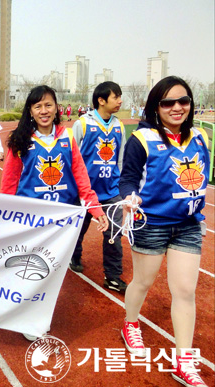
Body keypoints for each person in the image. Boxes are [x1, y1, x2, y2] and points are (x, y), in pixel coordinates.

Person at [120, 76, 212, 387]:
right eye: (168, 102)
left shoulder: (201, 137)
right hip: (151, 225)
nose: (176, 107)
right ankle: (131, 324)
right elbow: (128, 178)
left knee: (185, 291)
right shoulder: (142, 138)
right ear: (156, 106)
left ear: (190, 103)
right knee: (142, 282)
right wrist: (130, 196)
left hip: (188, 226)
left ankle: (184, 363)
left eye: (183, 101)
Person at [0, 85, 108, 341]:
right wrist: (5, 214)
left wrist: (94, 206)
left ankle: (38, 312)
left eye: (48, 105)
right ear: (30, 110)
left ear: (57, 107)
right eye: (37, 106)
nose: (44, 110)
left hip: (62, 219)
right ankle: (28, 315)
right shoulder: (20, 140)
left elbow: (81, 176)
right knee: (31, 268)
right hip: (32, 218)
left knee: (52, 269)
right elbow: (10, 182)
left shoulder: (67, 137)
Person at [70, 81, 127, 292]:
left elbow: (119, 160)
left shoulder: (119, 126)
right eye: (116, 97)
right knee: (78, 230)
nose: (120, 100)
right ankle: (74, 255)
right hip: (85, 193)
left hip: (111, 191)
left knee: (113, 234)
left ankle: (112, 276)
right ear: (101, 100)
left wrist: (120, 187)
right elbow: (71, 159)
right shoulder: (82, 124)